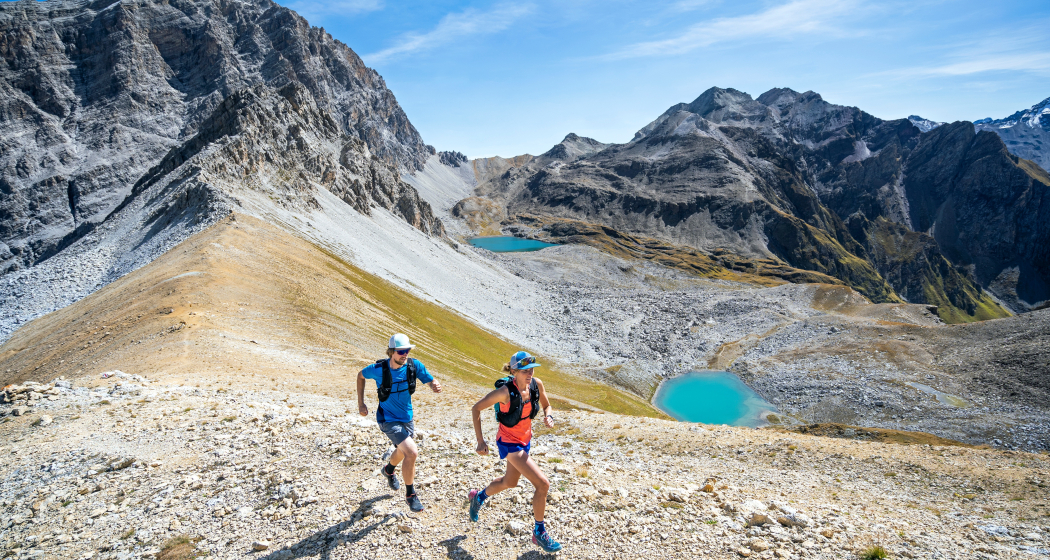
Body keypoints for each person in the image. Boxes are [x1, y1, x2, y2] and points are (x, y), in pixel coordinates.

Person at [467, 351, 562, 553]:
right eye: (525, 370)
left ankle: (479, 497)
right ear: (514, 371)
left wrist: (549, 417)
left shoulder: (537, 384)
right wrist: (480, 441)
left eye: (531, 369)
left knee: (509, 482)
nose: (530, 374)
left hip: (525, 440)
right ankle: (539, 532)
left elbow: (547, 406)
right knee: (543, 484)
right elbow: (476, 409)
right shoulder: (504, 392)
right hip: (509, 443)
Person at [357, 333, 442, 512]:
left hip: (407, 418)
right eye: (401, 351)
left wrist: (434, 384)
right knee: (411, 452)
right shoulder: (379, 369)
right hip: (387, 419)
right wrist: (361, 403)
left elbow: (429, 379)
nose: (405, 354)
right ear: (391, 352)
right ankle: (411, 495)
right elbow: (360, 376)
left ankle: (388, 469)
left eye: (407, 350)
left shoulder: (413, 366)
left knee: (402, 452)